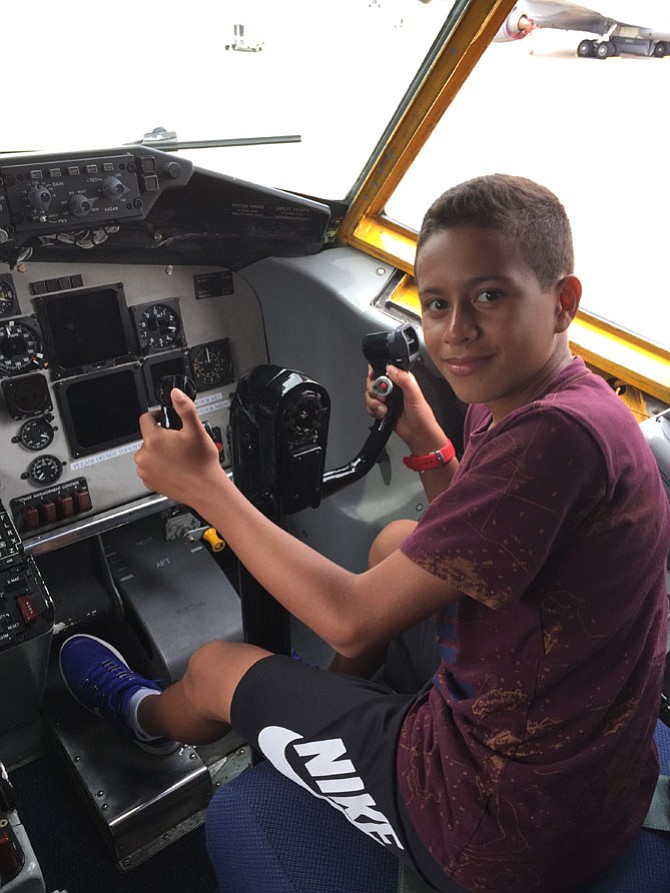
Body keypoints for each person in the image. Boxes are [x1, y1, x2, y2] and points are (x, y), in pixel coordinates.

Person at [59, 174, 670, 893]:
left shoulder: (553, 440)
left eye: (489, 296)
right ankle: (317, 707)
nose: (454, 331)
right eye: (437, 303)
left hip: (492, 827)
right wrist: (425, 437)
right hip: (594, 771)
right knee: (392, 543)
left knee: (220, 664)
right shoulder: (546, 398)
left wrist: (204, 487)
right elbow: (484, 531)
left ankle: (145, 716)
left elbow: (350, 618)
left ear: (564, 301)